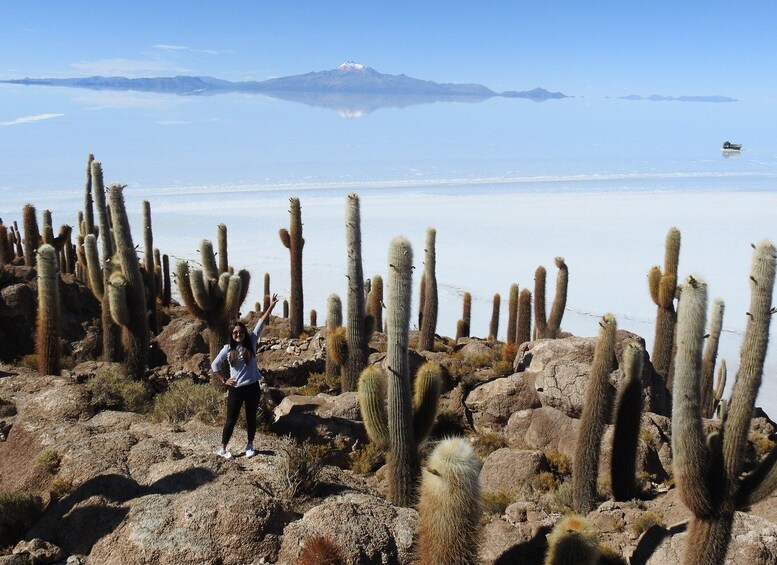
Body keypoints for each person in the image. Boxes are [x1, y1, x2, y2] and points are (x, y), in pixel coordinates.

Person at [212, 293, 279, 459]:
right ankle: (223, 448)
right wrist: (224, 380)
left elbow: (260, 323)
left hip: (252, 388)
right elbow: (214, 365)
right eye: (235, 332)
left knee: (251, 418)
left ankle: (250, 445)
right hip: (236, 390)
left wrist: (270, 306)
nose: (238, 334)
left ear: (244, 333)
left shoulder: (252, 342)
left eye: (240, 332)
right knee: (231, 421)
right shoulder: (227, 349)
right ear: (231, 334)